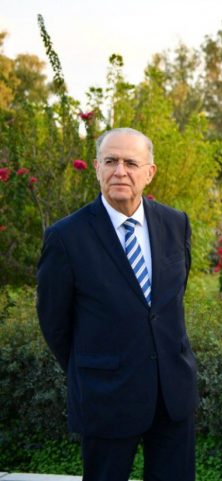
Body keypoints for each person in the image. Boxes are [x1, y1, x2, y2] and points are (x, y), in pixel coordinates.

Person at [37, 128, 198, 481]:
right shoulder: (66, 237)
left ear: (149, 172)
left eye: (130, 162)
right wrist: (91, 368)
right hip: (105, 395)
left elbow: (168, 303)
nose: (120, 171)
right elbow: (54, 323)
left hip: (171, 393)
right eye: (110, 161)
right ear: (97, 168)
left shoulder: (176, 224)